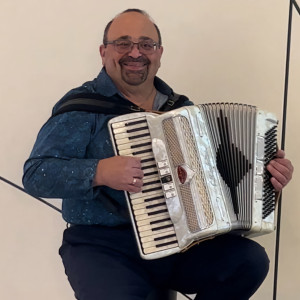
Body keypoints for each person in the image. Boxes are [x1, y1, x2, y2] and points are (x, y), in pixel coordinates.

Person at [23, 8, 294, 300]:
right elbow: (36, 174)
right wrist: (99, 172)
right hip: (103, 247)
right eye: (123, 43)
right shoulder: (82, 106)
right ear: (104, 52)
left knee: (249, 262)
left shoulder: (183, 110)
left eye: (146, 44)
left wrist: (267, 180)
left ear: (159, 53)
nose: (135, 52)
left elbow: (214, 184)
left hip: (178, 243)